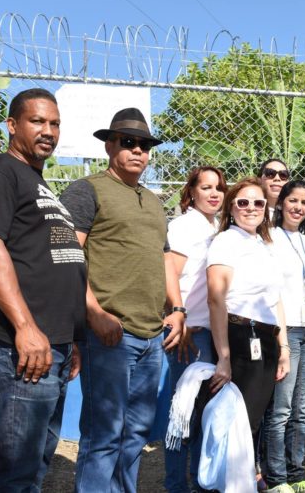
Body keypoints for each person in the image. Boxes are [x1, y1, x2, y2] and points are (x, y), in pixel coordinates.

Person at [0, 88, 86, 491]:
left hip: (54, 343)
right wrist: (25, 327)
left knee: (36, 460)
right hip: (21, 344)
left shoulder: (38, 183)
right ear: (13, 125)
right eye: (37, 121)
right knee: (14, 468)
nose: (48, 131)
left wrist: (71, 340)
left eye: (54, 123)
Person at [60, 107, 185, 492]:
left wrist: (177, 309)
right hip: (110, 333)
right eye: (128, 143)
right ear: (109, 145)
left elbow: (165, 258)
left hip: (151, 335)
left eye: (144, 145)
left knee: (136, 434)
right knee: (104, 435)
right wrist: (93, 312)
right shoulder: (88, 189)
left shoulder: (153, 199)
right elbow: (68, 256)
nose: (138, 151)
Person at [205, 177, 291, 472]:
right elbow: (216, 299)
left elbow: (275, 299)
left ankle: (247, 480)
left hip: (267, 339)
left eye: (258, 202)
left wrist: (284, 348)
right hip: (241, 336)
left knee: (252, 422)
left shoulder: (263, 244)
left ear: (267, 208)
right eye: (243, 202)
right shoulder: (226, 241)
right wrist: (225, 358)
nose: (251, 208)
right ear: (231, 208)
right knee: (237, 424)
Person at [163, 166, 227, 493]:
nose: (214, 193)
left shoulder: (217, 227)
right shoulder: (185, 226)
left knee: (203, 415)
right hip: (191, 332)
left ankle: (200, 483)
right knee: (183, 417)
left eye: (219, 187)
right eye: (206, 187)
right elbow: (168, 273)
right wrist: (179, 316)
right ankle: (176, 485)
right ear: (192, 192)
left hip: (213, 334)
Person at [263, 180, 305, 493]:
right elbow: (271, 292)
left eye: (304, 202)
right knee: (280, 411)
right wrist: (281, 339)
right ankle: (276, 479)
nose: (298, 207)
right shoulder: (268, 238)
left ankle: (296, 474)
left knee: (301, 411)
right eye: (293, 200)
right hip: (284, 333)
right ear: (281, 203)